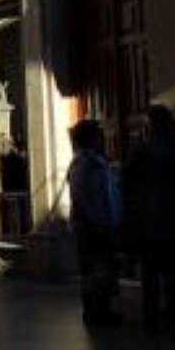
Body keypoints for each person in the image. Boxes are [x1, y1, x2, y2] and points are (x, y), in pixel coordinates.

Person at [123, 103, 175, 332]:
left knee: (150, 275)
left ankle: (150, 319)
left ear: (151, 124)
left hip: (148, 222)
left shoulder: (141, 152)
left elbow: (126, 184)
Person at [67, 118, 122, 328]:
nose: (102, 139)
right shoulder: (82, 163)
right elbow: (80, 196)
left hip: (103, 222)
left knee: (105, 268)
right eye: (98, 136)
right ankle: (94, 312)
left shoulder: (99, 161)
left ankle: (104, 309)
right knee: (93, 270)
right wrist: (95, 219)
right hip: (91, 226)